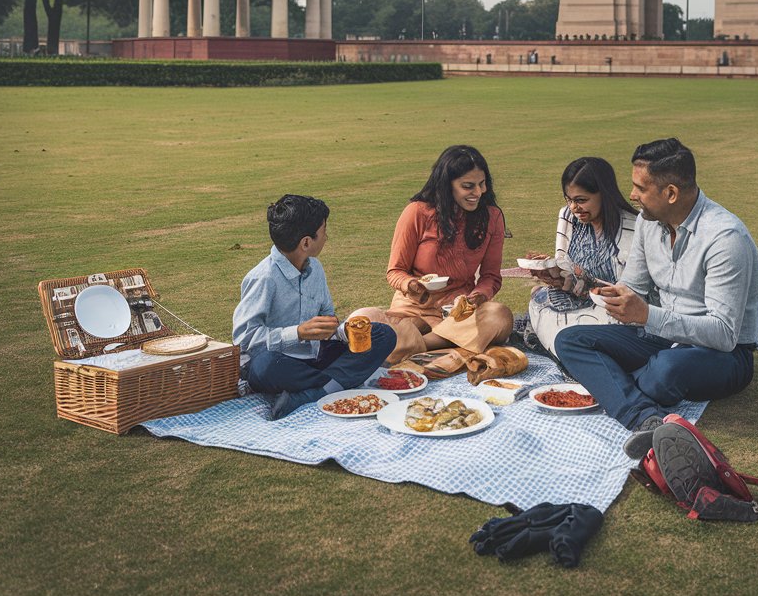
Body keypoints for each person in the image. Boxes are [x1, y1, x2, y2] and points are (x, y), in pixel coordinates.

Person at [554, 138, 758, 458]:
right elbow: (633, 286)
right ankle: (645, 418)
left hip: (723, 354)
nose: (632, 196)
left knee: (665, 371)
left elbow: (723, 334)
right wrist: (613, 294)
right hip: (658, 336)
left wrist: (647, 315)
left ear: (671, 193)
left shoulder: (724, 238)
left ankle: (613, 385)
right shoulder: (648, 223)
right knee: (570, 340)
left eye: (640, 188)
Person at [233, 194, 396, 420]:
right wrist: (297, 333)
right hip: (280, 363)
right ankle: (336, 382)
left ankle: (310, 393)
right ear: (306, 242)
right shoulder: (263, 278)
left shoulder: (315, 269)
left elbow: (327, 317)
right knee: (263, 366)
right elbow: (243, 339)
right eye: (324, 232)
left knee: (383, 335)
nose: (327, 237)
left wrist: (343, 331)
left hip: (315, 356)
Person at [350, 145, 513, 363]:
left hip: (458, 313)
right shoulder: (417, 212)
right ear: (447, 186)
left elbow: (491, 277)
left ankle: (416, 347)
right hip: (412, 310)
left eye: (482, 184)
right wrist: (412, 285)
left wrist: (477, 297)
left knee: (499, 315)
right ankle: (452, 347)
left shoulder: (492, 217)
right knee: (360, 319)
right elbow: (395, 271)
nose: (478, 192)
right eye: (468, 186)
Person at [525, 156, 637, 356]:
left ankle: (568, 348)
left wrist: (580, 282)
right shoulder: (568, 217)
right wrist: (552, 271)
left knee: (603, 325)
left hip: (612, 310)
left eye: (581, 200)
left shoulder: (632, 228)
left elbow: (626, 295)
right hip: (575, 300)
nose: (574, 208)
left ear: (604, 194)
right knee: (538, 296)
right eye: (569, 200)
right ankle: (571, 348)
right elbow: (564, 263)